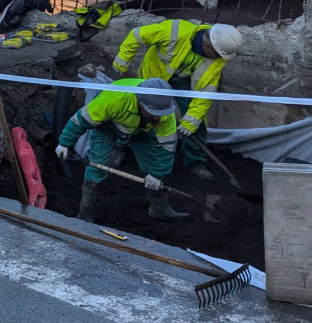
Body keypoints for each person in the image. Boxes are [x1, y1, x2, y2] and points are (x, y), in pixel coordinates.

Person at [111, 20, 243, 181]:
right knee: (140, 115)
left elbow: (205, 94)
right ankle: (120, 146)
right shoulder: (175, 31)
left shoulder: (218, 59)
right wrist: (123, 60)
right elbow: (136, 35)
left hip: (185, 82)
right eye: (218, 54)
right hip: (154, 78)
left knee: (197, 123)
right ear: (208, 45)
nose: (220, 58)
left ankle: (195, 162)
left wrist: (190, 122)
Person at [56, 77, 189, 223]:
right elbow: (81, 120)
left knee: (154, 166)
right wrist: (65, 143)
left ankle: (159, 209)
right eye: (152, 112)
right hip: (108, 127)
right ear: (140, 102)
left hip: (143, 130)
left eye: (160, 114)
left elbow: (167, 146)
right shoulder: (115, 98)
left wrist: (156, 175)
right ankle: (85, 214)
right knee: (98, 166)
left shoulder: (164, 113)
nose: (157, 116)